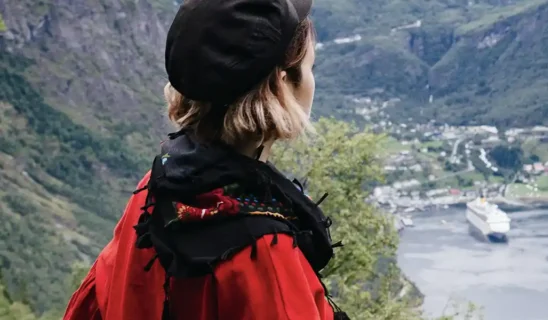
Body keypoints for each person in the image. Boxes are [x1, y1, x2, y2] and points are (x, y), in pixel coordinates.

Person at [63, 0, 349, 319]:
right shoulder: (263, 252)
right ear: (282, 84)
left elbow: (94, 304)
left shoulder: (159, 188)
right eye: (311, 68)